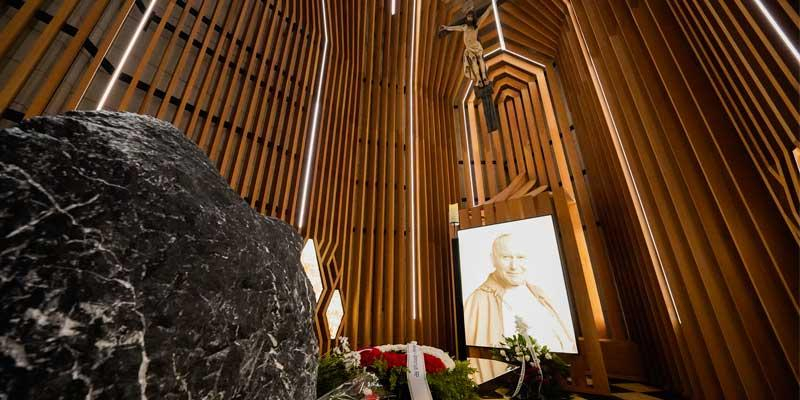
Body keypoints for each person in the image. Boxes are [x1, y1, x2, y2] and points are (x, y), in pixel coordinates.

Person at [463, 233, 576, 353]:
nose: (514, 266)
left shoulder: (538, 293)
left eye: (520, 257)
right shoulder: (478, 301)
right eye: (506, 257)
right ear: (493, 260)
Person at [439, 10, 491, 87]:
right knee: (473, 60)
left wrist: (491, 7)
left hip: (476, 46)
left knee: (480, 59)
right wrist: (446, 27)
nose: (469, 18)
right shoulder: (464, 27)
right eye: (468, 17)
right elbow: (455, 28)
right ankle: (479, 78)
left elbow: (484, 15)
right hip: (469, 48)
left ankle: (484, 77)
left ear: (473, 18)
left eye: (471, 17)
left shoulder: (476, 25)